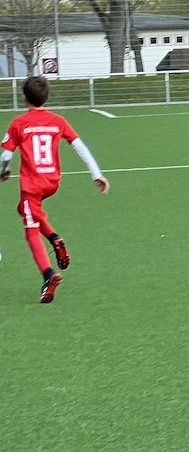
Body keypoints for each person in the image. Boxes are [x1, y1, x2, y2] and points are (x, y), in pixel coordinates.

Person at [1, 75, 110, 303]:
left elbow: (6, 155)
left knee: (30, 231)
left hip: (32, 185)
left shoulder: (19, 123)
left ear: (24, 97)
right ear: (47, 96)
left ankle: (48, 275)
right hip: (52, 182)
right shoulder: (57, 120)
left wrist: (4, 170)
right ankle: (54, 238)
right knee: (24, 209)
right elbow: (79, 146)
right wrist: (96, 174)